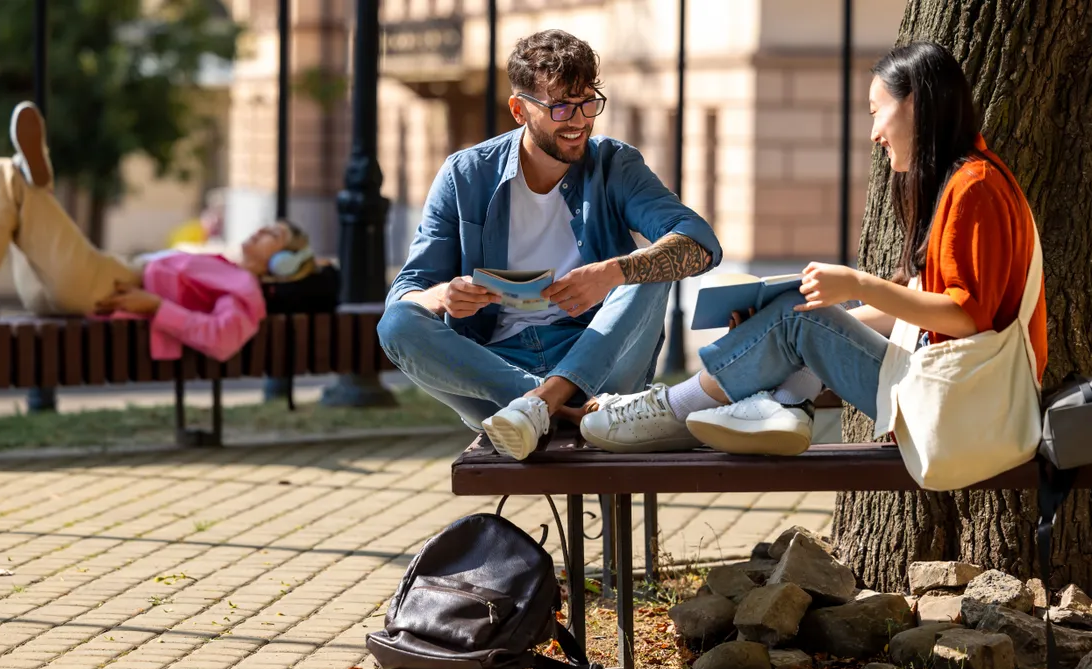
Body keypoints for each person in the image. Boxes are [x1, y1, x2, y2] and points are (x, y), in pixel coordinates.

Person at [581, 41, 1047, 456]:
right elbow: (918, 317)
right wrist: (775, 326)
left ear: (917, 107)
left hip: (957, 405)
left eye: (875, 111)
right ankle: (774, 406)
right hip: (947, 392)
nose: (873, 134)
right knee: (794, 316)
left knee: (793, 320)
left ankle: (672, 409)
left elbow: (966, 316)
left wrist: (857, 284)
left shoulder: (974, 188)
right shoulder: (965, 182)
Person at [377, 29, 723, 460]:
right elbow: (408, 289)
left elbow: (702, 243)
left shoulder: (615, 164)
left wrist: (610, 273)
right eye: (560, 106)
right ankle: (568, 411)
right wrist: (444, 296)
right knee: (395, 325)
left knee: (649, 265)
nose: (578, 121)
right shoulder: (464, 175)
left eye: (587, 103)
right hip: (498, 370)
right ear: (520, 109)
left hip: (599, 356)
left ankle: (542, 406)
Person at [0, 101, 298, 362]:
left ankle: (29, 189)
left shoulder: (245, 290)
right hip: (71, 292)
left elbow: (223, 340)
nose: (260, 230)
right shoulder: (228, 269)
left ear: (283, 262)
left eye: (273, 235)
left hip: (107, 285)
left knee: (7, 175)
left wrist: (157, 307)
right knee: (1, 173)